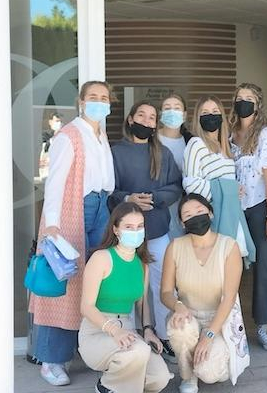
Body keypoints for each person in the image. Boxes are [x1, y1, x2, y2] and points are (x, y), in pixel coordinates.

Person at [31, 81, 116, 386]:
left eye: (104, 98)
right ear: (81, 102)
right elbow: (54, 182)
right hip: (73, 210)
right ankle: (51, 360)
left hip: (100, 207)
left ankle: (92, 350)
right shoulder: (69, 135)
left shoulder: (99, 134)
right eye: (93, 97)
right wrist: (52, 223)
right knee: (63, 285)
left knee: (94, 281)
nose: (99, 102)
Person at [110, 100, 183, 363]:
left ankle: (165, 336)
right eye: (141, 115)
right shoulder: (116, 153)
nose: (146, 120)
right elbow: (110, 189)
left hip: (157, 228)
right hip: (126, 232)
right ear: (130, 119)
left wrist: (153, 197)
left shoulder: (163, 154)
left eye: (152, 117)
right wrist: (128, 198)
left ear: (156, 124)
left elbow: (176, 186)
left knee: (162, 284)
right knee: (128, 285)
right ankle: (128, 338)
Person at [79, 203, 172, 393]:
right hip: (98, 331)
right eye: (128, 227)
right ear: (115, 229)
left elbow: (142, 303)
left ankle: (113, 387)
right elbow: (86, 307)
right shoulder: (101, 258)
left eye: (139, 226)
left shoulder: (143, 265)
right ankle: (107, 388)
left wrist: (148, 330)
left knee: (160, 377)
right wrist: (114, 331)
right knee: (138, 352)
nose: (135, 231)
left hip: (128, 330)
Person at [161, 194, 248, 393]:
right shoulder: (175, 247)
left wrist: (208, 335)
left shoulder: (229, 246)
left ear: (210, 213)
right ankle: (187, 377)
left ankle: (213, 361)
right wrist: (178, 306)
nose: (195, 217)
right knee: (180, 329)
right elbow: (165, 292)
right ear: (182, 222)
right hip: (188, 315)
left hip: (219, 320)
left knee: (209, 372)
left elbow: (229, 297)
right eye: (188, 214)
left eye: (200, 211)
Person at [229, 83, 267, 351]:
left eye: (249, 99)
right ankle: (231, 328)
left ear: (258, 104)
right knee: (231, 266)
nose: (244, 103)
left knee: (264, 265)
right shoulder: (228, 134)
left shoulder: (265, 134)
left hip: (262, 205)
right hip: (234, 207)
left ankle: (263, 327)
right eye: (240, 99)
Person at [183, 95, 255, 264]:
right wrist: (229, 189)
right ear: (198, 118)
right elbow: (191, 185)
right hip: (213, 216)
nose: (211, 116)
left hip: (231, 213)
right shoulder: (196, 143)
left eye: (215, 111)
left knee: (231, 268)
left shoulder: (225, 147)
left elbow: (228, 181)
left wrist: (236, 188)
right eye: (205, 112)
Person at [157, 94, 191, 241]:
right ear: (160, 114)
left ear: (184, 115)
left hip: (181, 205)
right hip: (156, 204)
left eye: (177, 108)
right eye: (167, 108)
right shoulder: (151, 139)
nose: (172, 112)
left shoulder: (191, 141)